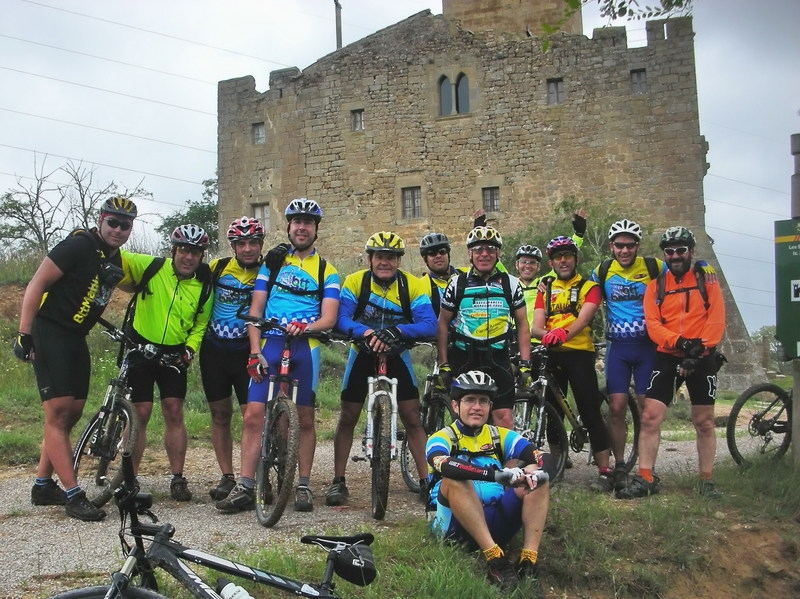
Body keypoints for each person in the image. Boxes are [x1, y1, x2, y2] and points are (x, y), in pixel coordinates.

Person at [14, 196, 137, 521]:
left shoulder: (114, 257)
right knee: (57, 412)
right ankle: (73, 494)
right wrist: (24, 334)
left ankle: (43, 486)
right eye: (113, 222)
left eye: (125, 225)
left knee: (72, 413)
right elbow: (36, 284)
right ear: (101, 220)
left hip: (75, 337)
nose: (118, 229)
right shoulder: (78, 245)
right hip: (49, 331)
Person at [216, 199, 340, 514]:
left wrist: (308, 326)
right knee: (253, 416)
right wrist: (255, 350)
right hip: (270, 342)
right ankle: (245, 485)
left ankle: (303, 485)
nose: (301, 227)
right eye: (296, 222)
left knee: (305, 419)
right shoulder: (273, 264)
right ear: (288, 227)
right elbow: (255, 311)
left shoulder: (328, 270)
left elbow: (329, 318)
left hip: (305, 346)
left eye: (308, 223)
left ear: (316, 229)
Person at [326, 231, 436, 506]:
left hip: (397, 354)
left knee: (412, 418)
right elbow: (340, 319)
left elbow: (430, 324)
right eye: (379, 257)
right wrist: (364, 333)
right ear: (370, 259)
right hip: (361, 352)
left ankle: (426, 482)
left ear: (398, 260)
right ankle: (338, 481)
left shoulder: (412, 285)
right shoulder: (355, 282)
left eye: (390, 257)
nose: (384, 262)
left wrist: (398, 330)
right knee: (348, 416)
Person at [617, 226, 726, 499]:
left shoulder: (707, 280)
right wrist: (680, 343)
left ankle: (706, 479)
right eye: (670, 252)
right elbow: (653, 325)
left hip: (702, 356)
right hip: (668, 355)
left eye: (681, 250)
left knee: (704, 422)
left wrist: (698, 349)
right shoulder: (656, 286)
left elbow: (716, 319)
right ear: (664, 255)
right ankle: (645, 477)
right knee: (650, 417)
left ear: (691, 252)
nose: (675, 256)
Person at [426, 370, 551, 590]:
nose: (477, 407)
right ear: (455, 406)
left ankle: (528, 560)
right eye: (470, 400)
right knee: (454, 478)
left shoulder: (499, 435)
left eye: (484, 401)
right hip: (453, 527)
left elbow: (542, 457)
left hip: (495, 517)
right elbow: (445, 465)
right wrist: (495, 475)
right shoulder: (442, 437)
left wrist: (532, 473)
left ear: (490, 406)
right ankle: (495, 559)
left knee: (539, 479)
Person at [120, 224, 213, 501]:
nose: (188, 257)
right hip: (140, 346)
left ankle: (177, 477)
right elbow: (116, 255)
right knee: (140, 413)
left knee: (174, 411)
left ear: (201, 256)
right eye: (184, 250)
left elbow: (200, 323)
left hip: (174, 353)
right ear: (173, 250)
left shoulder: (203, 286)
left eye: (195, 252)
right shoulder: (153, 266)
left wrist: (190, 349)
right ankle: (129, 478)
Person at [531, 236, 612, 491]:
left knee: (589, 410)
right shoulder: (545, 288)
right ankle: (556, 467)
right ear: (551, 262)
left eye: (567, 256)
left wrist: (564, 333)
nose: (563, 261)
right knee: (551, 413)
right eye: (558, 257)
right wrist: (547, 336)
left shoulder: (590, 287)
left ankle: (605, 471)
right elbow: (535, 327)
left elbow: (585, 318)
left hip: (579, 353)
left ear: (575, 259)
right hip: (551, 352)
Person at [589, 219, 664, 490]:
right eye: (619, 245)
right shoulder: (603, 270)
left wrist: (703, 266)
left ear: (637, 247)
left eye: (630, 246)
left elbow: (683, 274)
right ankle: (619, 465)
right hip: (617, 348)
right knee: (617, 407)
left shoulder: (654, 267)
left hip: (647, 347)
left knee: (647, 411)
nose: (624, 251)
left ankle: (646, 470)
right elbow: (581, 295)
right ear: (612, 246)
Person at [436, 226, 531, 429]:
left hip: (498, 357)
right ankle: (465, 461)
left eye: (490, 249)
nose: (484, 254)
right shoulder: (457, 283)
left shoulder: (511, 284)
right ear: (470, 253)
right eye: (478, 249)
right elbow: (443, 323)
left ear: (498, 253)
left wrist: (525, 364)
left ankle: (506, 462)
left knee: (504, 417)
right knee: (465, 418)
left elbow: (523, 324)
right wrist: (444, 364)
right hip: (464, 357)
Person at [201, 216, 265, 502]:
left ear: (261, 244)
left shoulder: (267, 272)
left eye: (253, 242)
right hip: (214, 350)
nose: (248, 248)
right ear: (233, 246)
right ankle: (227, 476)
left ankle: (249, 476)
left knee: (251, 416)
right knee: (220, 415)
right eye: (242, 244)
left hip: (245, 350)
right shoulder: (217, 268)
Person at [418, 232, 461, 318]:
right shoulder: (421, 285)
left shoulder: (464, 274)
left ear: (448, 255)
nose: (438, 256)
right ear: (425, 259)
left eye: (442, 251)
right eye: (432, 253)